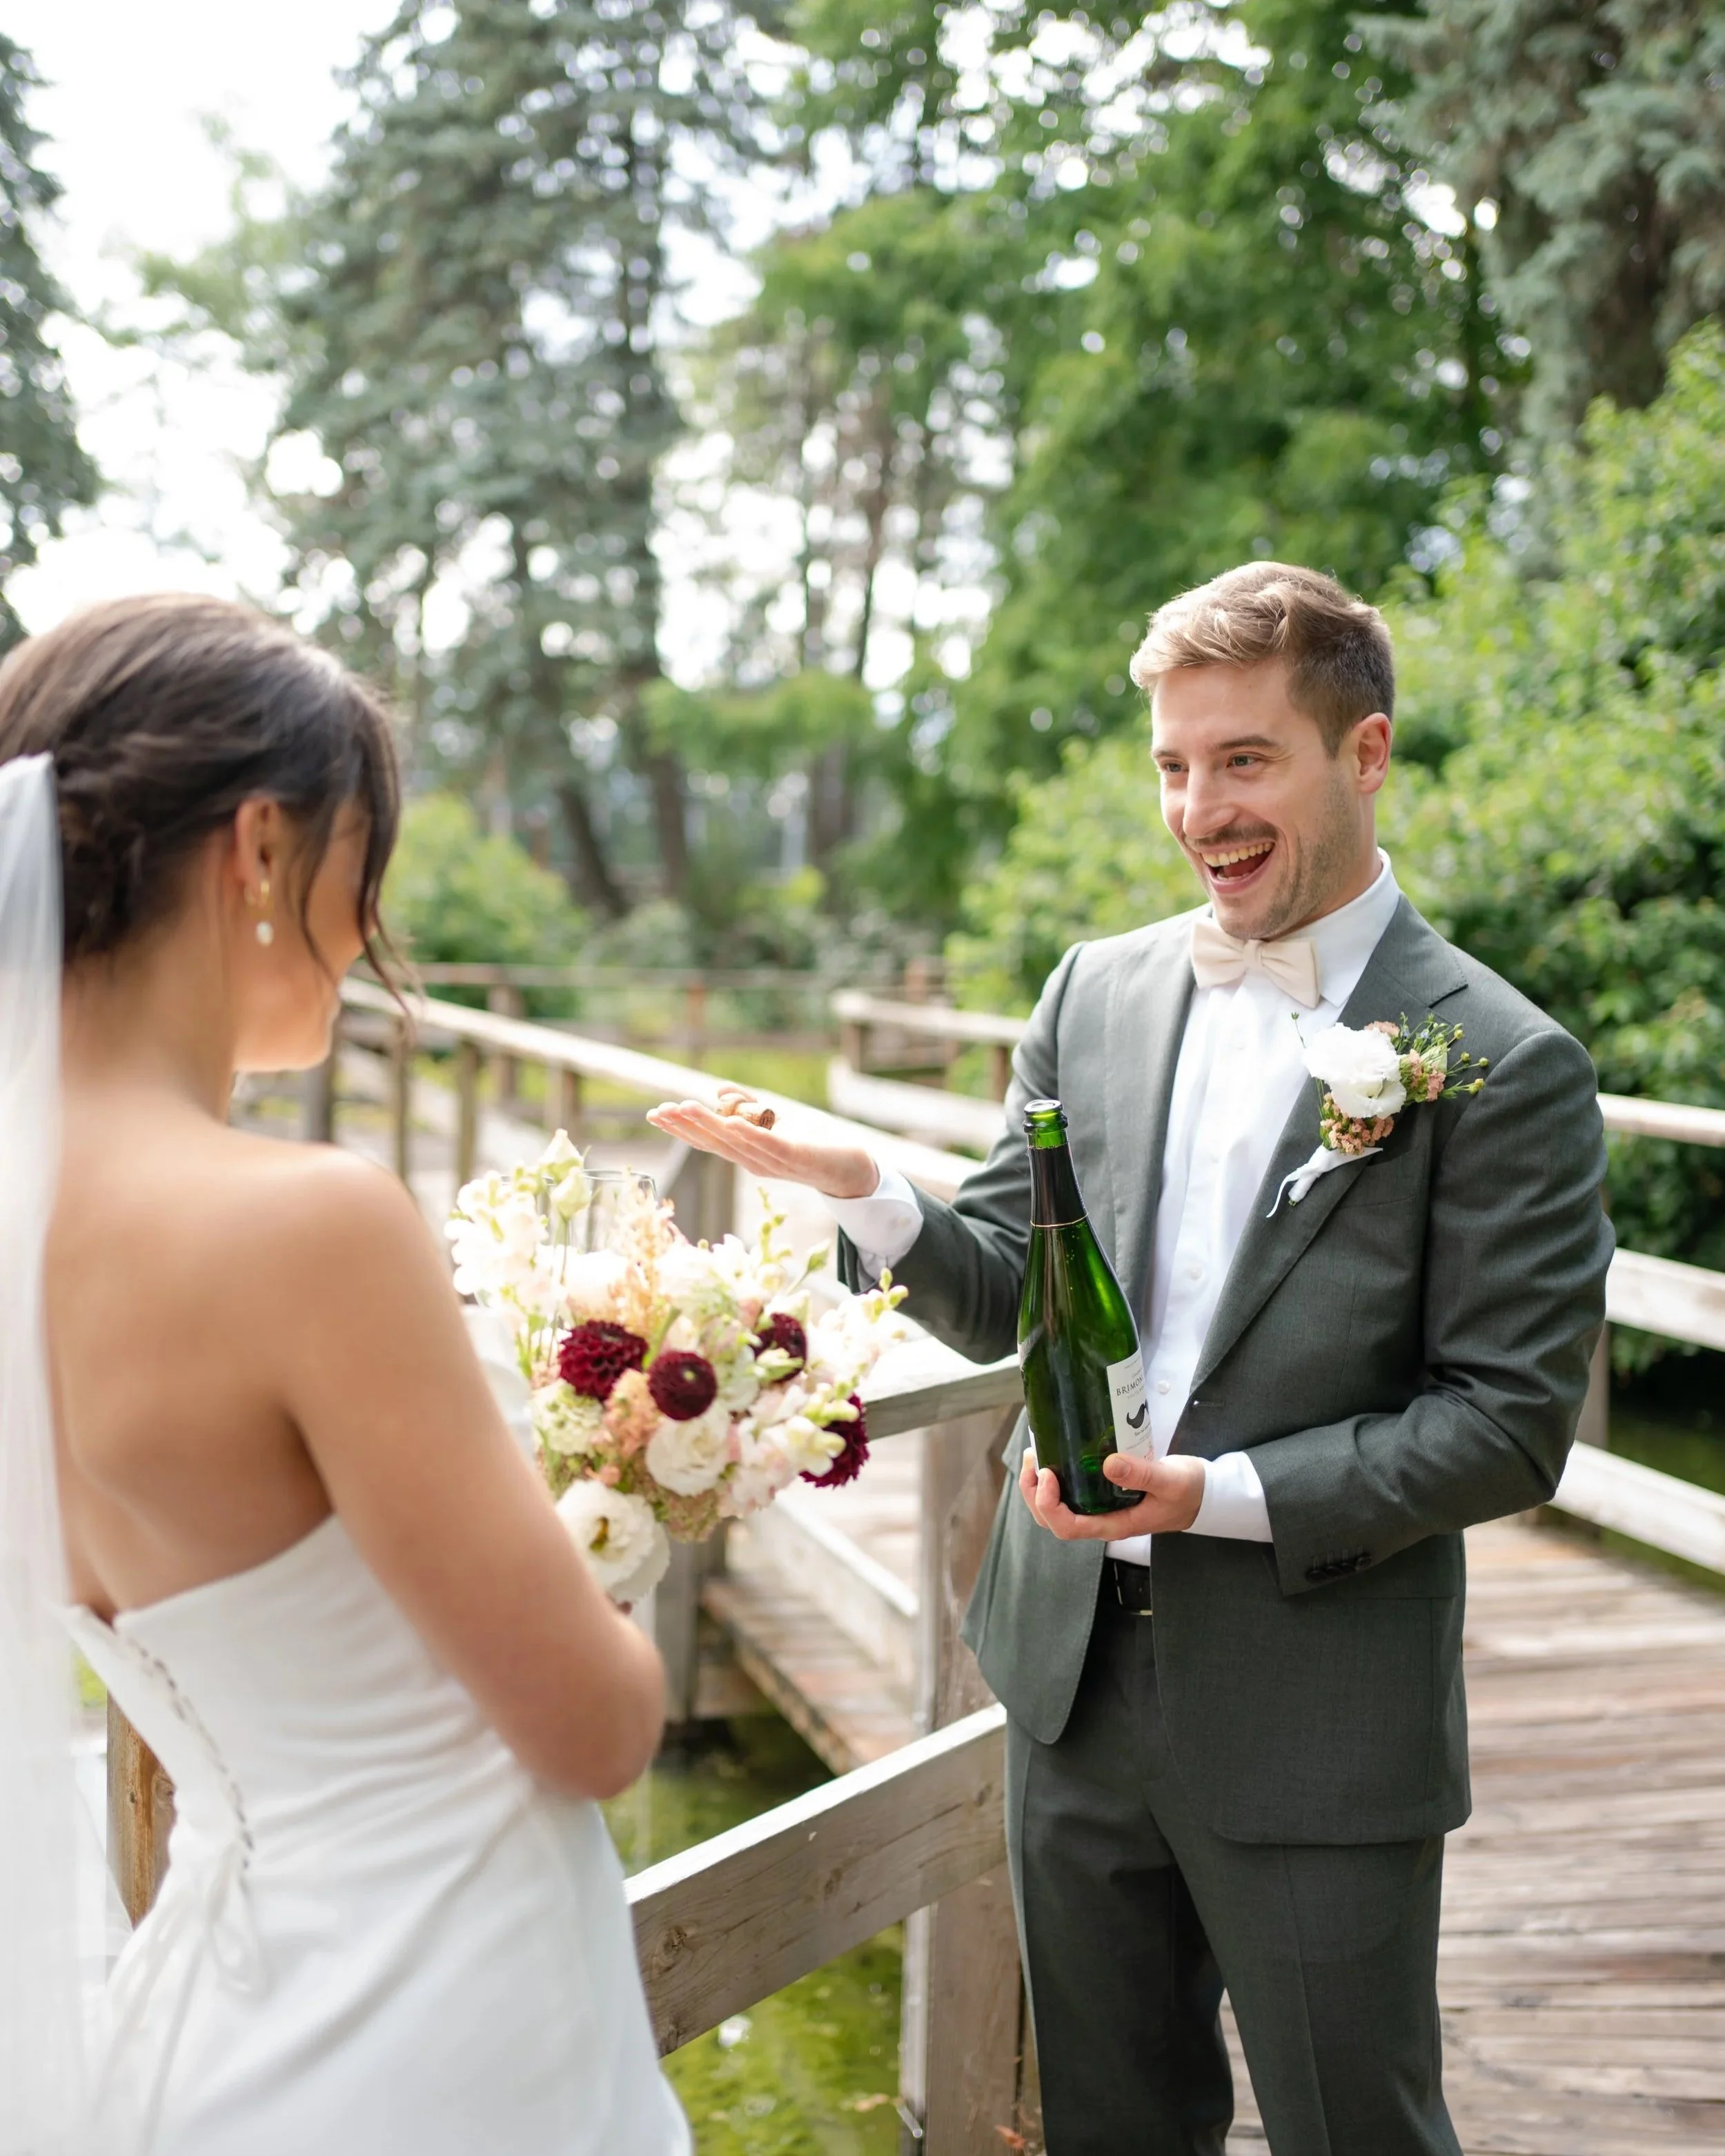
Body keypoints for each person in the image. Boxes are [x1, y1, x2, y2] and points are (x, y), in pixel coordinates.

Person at [649, 562, 1614, 2155]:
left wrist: (1210, 1493)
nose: (1196, 808)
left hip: (1319, 1711)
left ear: (1362, 754)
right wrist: (865, 1187)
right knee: (1104, 2125)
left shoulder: (1499, 1059)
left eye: (1244, 760)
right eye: (1172, 763)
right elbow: (1012, 1292)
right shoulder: (1091, 992)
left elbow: (1505, 1429)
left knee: (1353, 2130)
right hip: (1065, 1682)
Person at [0, 595, 689, 2156]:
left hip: (201, 2025)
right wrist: (612, 1541)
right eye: (360, 859)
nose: (372, 919)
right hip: (445, 2020)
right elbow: (592, 1730)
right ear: (258, 850)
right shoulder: (299, 1223)